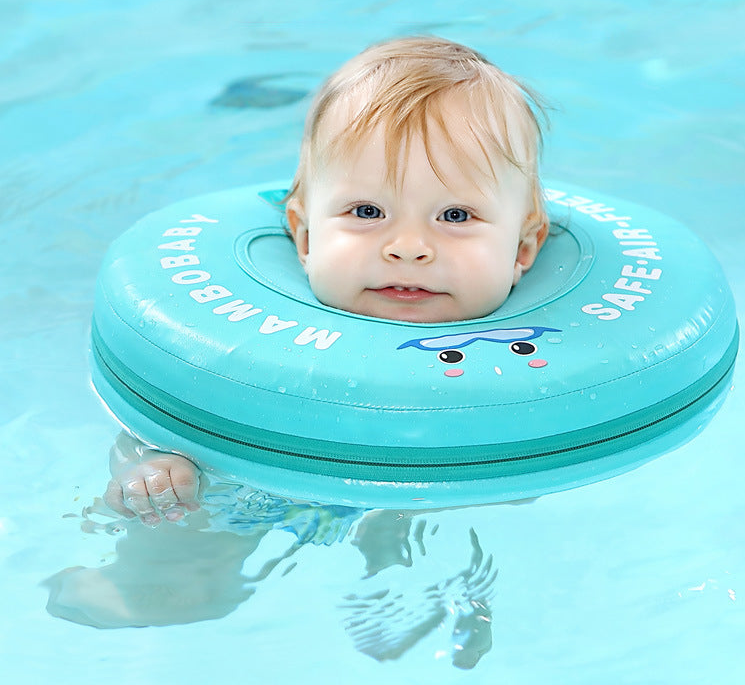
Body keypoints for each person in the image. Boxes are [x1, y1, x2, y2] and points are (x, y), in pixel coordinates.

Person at [105, 36, 549, 523]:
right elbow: (164, 422)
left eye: (457, 215)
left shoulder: (545, 387)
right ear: (305, 237)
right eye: (367, 210)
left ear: (523, 248)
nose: (407, 246)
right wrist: (156, 466)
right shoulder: (243, 358)